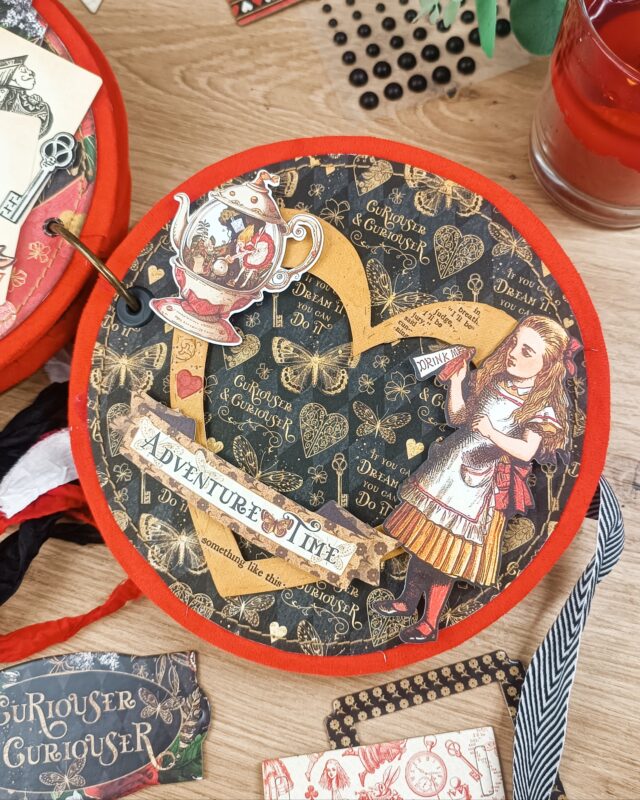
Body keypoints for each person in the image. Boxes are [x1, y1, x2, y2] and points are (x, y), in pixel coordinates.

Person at [376, 315, 578, 643]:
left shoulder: (541, 407)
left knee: (444, 554)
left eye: (527, 351)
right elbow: (459, 418)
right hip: (448, 471)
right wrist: (457, 382)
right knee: (423, 541)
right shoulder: (495, 382)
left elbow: (526, 450)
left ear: (547, 365)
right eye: (514, 343)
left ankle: (429, 622)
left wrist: (492, 432)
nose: (513, 352)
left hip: (478, 486)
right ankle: (406, 601)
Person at [0, 55, 51, 135]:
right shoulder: (6, 96)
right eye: (23, 70)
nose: (31, 72)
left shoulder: (26, 100)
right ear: (8, 75)